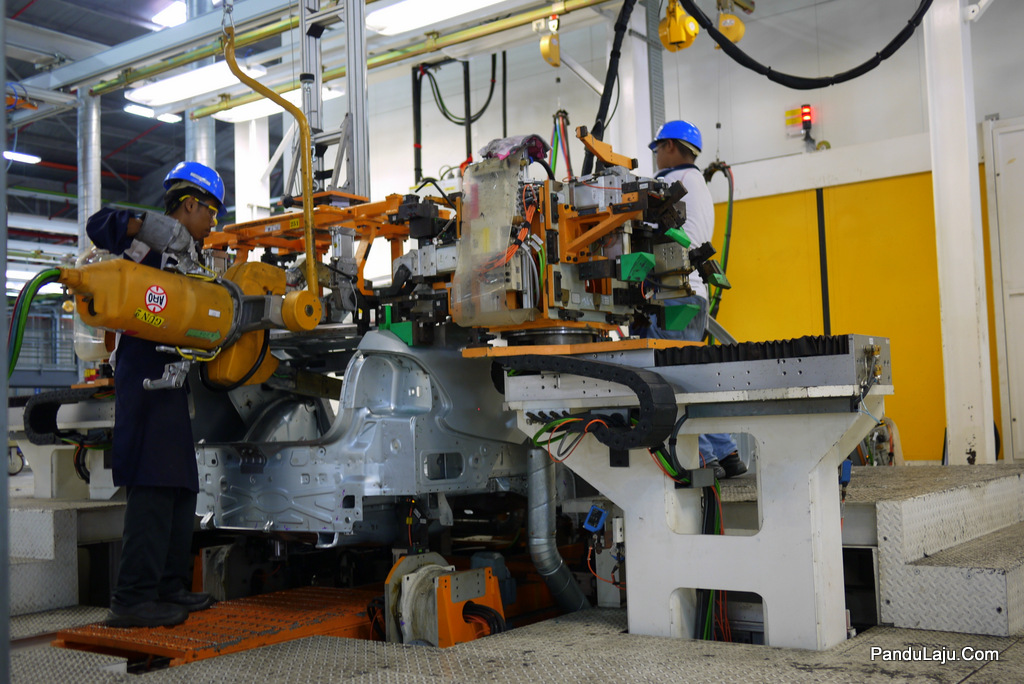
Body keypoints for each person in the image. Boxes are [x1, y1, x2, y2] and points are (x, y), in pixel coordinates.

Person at [87, 161, 226, 628]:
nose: (213, 223)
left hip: (174, 380)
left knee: (181, 484)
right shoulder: (148, 245)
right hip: (144, 377)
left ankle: (169, 586)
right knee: (152, 483)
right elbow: (98, 224)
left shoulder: (192, 260)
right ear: (187, 205)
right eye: (210, 212)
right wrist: (146, 225)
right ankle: (132, 598)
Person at [645, 120, 746, 480]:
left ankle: (704, 458)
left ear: (671, 146)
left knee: (669, 380)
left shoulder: (671, 183)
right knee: (690, 378)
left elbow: (646, 229)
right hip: (695, 296)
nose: (656, 155)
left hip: (673, 295)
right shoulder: (698, 185)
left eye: (658, 147)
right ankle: (727, 453)